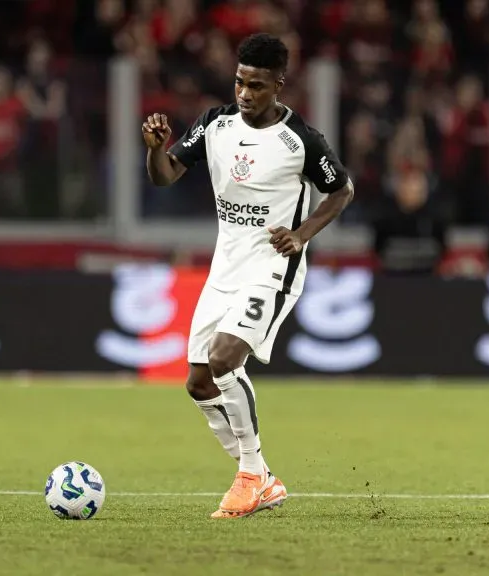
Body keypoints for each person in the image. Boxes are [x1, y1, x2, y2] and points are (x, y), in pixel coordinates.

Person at [142, 33, 354, 519]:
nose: (244, 93)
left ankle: (252, 475)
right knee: (198, 383)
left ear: (278, 84)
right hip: (226, 268)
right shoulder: (215, 124)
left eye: (257, 86)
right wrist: (156, 150)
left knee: (223, 357)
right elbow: (166, 173)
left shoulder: (300, 140)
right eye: (240, 82)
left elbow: (342, 191)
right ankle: (263, 478)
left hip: (273, 268)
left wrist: (301, 235)